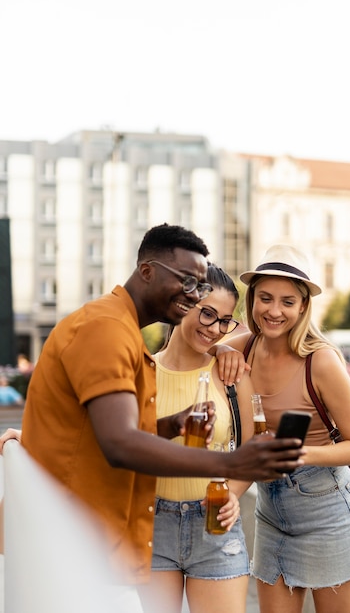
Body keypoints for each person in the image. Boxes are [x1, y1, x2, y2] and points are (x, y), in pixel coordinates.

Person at [1, 226, 305, 606]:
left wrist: (171, 425)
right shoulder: (108, 330)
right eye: (188, 283)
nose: (192, 294)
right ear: (147, 271)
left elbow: (94, 428)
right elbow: (119, 443)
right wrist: (231, 460)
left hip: (81, 532)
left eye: (198, 286)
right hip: (72, 531)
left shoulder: (124, 334)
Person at [213, 244, 350, 613]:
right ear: (252, 299)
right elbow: (199, 345)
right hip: (272, 514)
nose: (274, 311)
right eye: (266, 298)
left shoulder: (320, 361)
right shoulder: (245, 348)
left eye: (288, 302)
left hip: (328, 513)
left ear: (303, 306)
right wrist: (222, 351)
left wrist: (298, 453)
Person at [139, 264, 254, 613]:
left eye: (224, 320)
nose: (214, 329)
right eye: (207, 313)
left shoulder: (230, 374)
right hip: (152, 523)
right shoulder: (142, 370)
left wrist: (233, 494)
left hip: (217, 526)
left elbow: (251, 449)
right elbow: (107, 434)